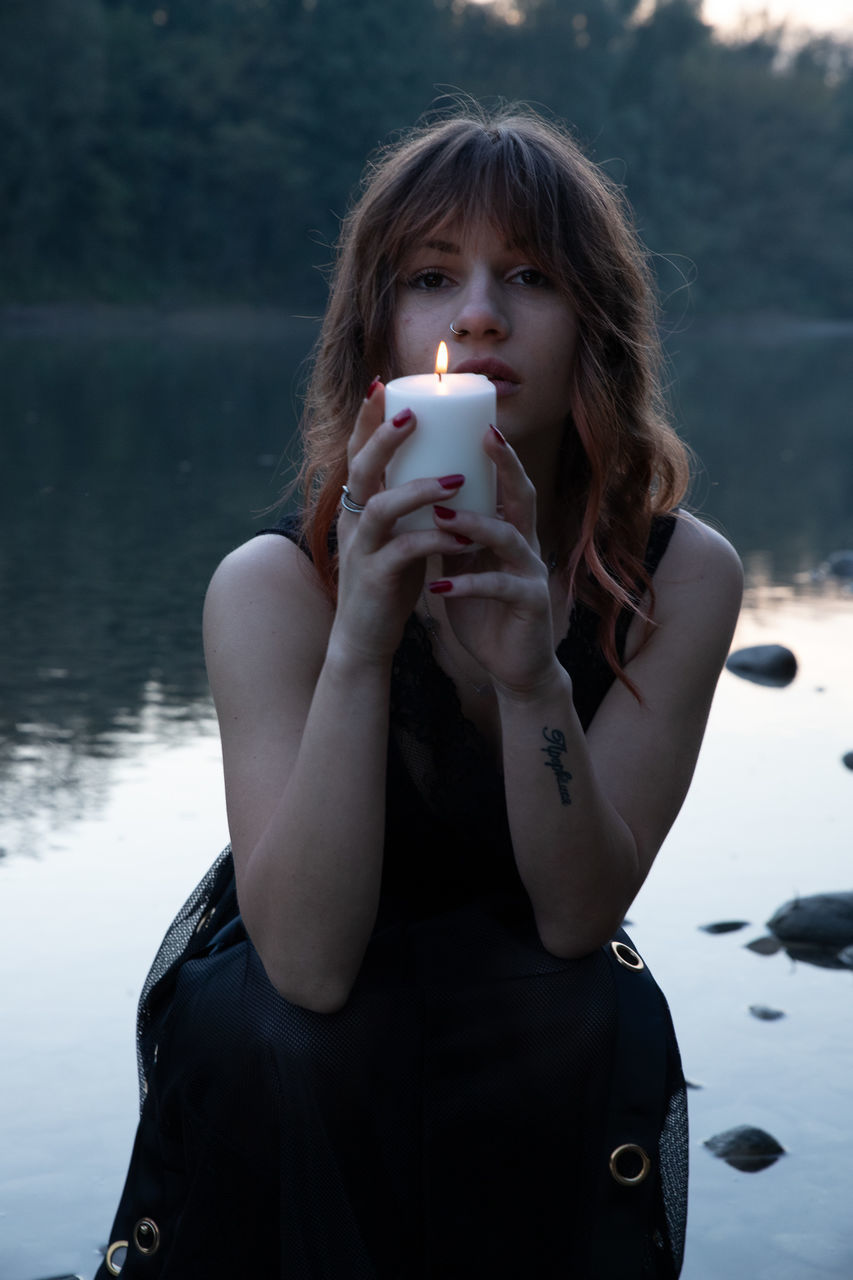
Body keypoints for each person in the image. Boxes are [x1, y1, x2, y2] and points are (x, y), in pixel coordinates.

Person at [96, 103, 742, 1279]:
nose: (480, 312)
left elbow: (576, 918)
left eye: (530, 274)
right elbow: (308, 964)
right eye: (434, 276)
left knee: (578, 1011)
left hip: (533, 981)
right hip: (310, 985)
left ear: (593, 319)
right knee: (295, 1038)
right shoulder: (272, 582)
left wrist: (531, 676)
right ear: (381, 329)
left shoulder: (679, 574)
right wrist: (360, 640)